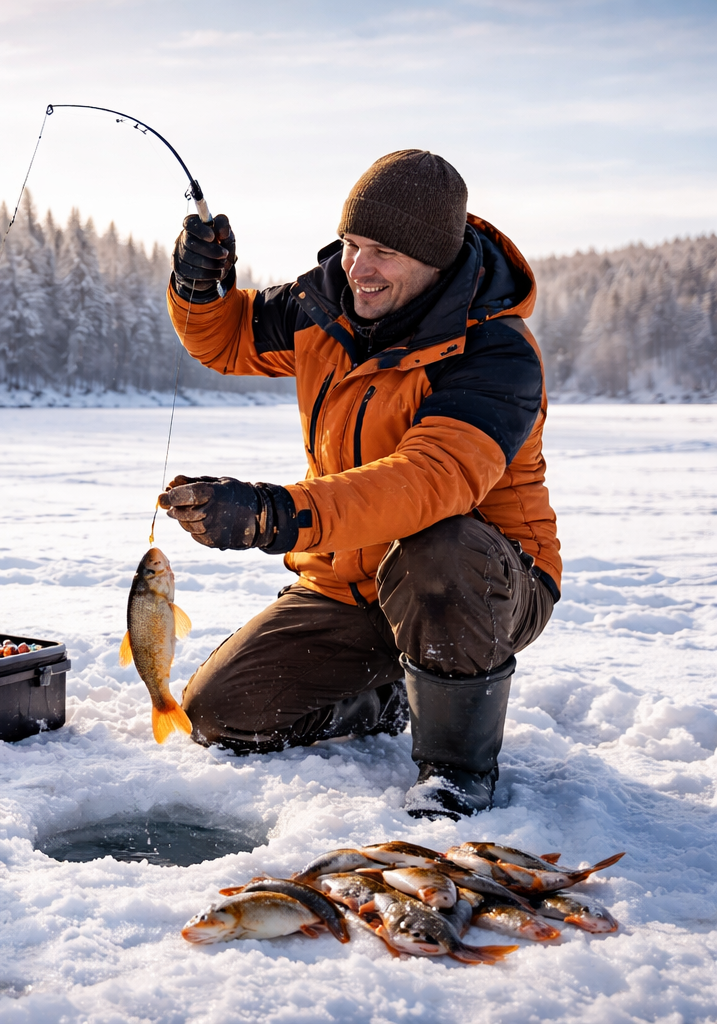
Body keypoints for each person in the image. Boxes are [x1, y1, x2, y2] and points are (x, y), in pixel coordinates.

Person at [158, 150, 559, 819]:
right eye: (351, 245)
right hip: (349, 584)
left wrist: (272, 514)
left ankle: (456, 771)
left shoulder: (497, 353)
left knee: (440, 548)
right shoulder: (324, 308)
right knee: (220, 714)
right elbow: (226, 342)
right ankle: (395, 692)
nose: (359, 269)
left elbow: (429, 481)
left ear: (436, 258)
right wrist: (201, 291)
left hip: (483, 585)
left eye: (384, 252)